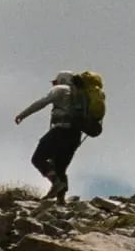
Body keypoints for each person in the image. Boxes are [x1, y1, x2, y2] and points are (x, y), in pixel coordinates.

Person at [15, 71, 89, 202]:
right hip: (75, 135)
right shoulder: (82, 94)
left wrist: (23, 114)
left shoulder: (60, 89)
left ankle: (56, 183)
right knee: (60, 166)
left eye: (56, 81)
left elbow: (42, 102)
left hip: (60, 130)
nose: (55, 83)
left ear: (62, 79)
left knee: (38, 158)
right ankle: (61, 200)